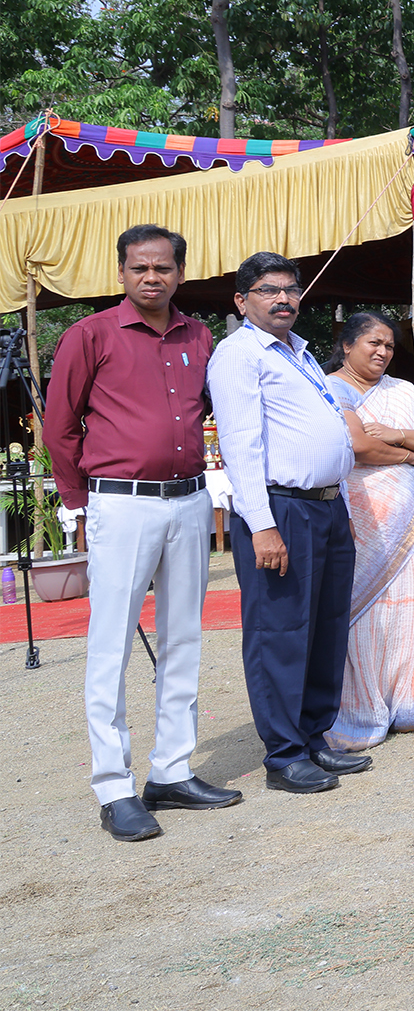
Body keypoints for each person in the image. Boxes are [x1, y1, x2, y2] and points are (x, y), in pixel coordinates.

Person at [47, 225, 238, 842]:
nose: (151, 277)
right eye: (139, 268)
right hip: (121, 503)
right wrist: (80, 503)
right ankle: (114, 786)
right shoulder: (90, 334)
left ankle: (172, 771)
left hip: (190, 501)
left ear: (180, 273)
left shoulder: (199, 335)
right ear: (122, 272)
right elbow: (60, 427)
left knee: (183, 639)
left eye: (162, 268)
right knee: (112, 646)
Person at [208, 252, 367, 793]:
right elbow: (241, 445)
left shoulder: (299, 351)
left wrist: (341, 504)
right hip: (280, 508)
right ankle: (283, 754)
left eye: (291, 289)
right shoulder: (238, 354)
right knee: (280, 631)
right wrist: (262, 524)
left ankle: (313, 737)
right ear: (241, 301)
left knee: (325, 627)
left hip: (327, 505)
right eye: (268, 290)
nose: (283, 299)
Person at [323, 312, 414, 750]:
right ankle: (361, 710)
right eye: (373, 343)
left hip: (409, 528)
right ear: (347, 346)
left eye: (389, 346)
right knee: (363, 612)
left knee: (412, 605)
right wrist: (410, 455)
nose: (382, 352)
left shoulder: (402, 391)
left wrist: (397, 434)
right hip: (362, 521)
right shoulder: (331, 387)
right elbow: (357, 445)